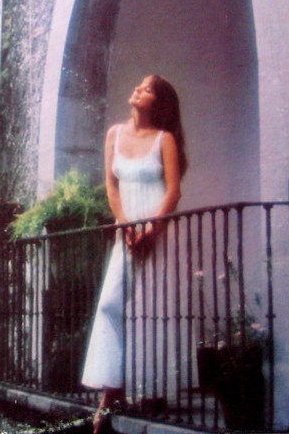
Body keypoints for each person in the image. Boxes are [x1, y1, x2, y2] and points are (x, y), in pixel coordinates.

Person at [82, 75, 187, 434]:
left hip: (157, 233)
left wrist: (151, 230)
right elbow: (111, 187)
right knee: (111, 305)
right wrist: (127, 226)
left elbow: (173, 191)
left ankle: (142, 393)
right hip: (126, 231)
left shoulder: (164, 139)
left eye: (147, 89)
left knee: (151, 310)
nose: (138, 89)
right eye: (139, 85)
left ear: (159, 103)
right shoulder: (114, 134)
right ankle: (111, 391)